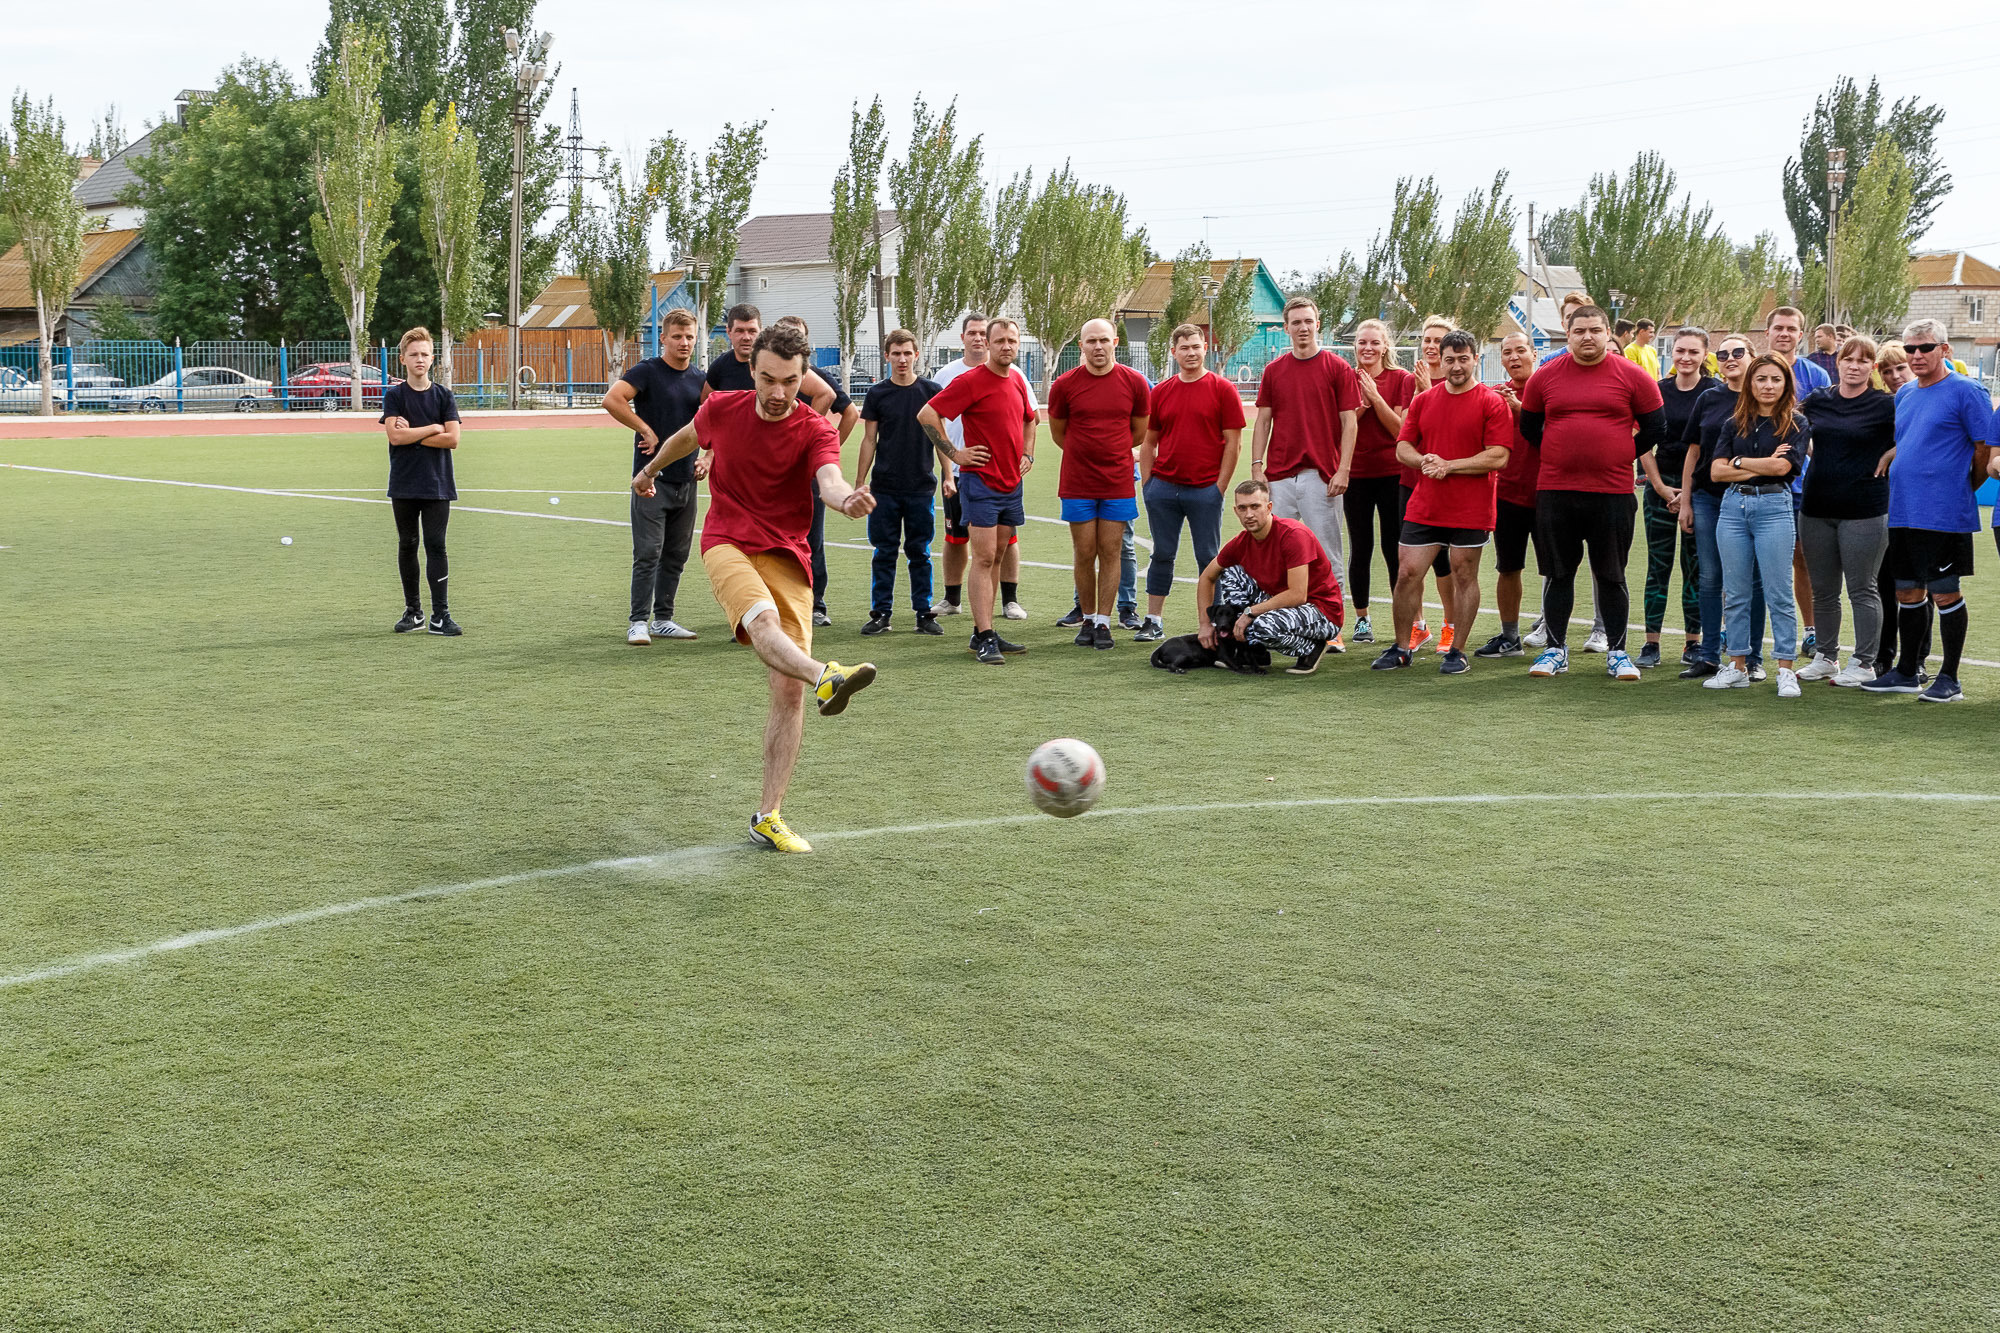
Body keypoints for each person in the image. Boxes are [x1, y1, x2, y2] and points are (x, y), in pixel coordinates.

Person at [631, 322, 877, 854]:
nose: (778, 392)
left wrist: (845, 500)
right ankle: (827, 676)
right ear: (751, 370)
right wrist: (649, 469)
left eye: (790, 381)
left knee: (787, 691)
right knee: (761, 621)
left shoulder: (817, 429)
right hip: (727, 542)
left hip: (790, 554)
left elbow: (830, 480)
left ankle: (768, 815)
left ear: (802, 376)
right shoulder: (722, 409)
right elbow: (686, 438)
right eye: (768, 379)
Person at [1518, 303, 1666, 681]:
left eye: (1595, 331)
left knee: (1611, 576)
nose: (1587, 337)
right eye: (1579, 331)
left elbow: (1654, 428)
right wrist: (1563, 453)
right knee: (1559, 574)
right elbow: (1530, 428)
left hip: (1612, 493)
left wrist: (1616, 453)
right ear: (1567, 335)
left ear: (1607, 334)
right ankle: (1555, 649)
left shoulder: (1633, 376)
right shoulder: (1544, 378)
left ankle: (1617, 653)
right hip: (1556, 492)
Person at [1862, 319, 1992, 702]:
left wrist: (1962, 488)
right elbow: (1909, 444)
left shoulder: (1967, 391)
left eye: (1925, 348)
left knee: (1945, 592)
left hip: (1943, 512)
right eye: (1910, 349)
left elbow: (1984, 449)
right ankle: (1906, 671)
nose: (1916, 355)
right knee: (1906, 591)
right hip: (1902, 508)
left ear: (1945, 350)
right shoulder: (1904, 395)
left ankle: (1949, 678)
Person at [1370, 330, 1512, 675]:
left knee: (1464, 575)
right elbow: (1403, 446)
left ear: (1475, 359)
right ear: (1441, 360)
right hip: (1426, 504)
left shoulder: (1491, 402)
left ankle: (1457, 651)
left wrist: (1450, 466)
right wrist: (1424, 462)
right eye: (1450, 359)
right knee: (1407, 573)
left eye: (1464, 359)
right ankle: (1402, 647)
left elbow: (1499, 456)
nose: (1457, 366)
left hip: (1471, 506)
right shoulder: (1424, 400)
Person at [918, 317, 1039, 665]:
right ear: (987, 343)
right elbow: (927, 414)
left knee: (998, 556)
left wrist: (1028, 453)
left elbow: (1032, 419)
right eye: (999, 340)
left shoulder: (1017, 379)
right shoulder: (970, 381)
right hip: (980, 483)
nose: (1006, 346)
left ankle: (982, 631)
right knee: (983, 558)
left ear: (1018, 344)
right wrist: (955, 455)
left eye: (1011, 341)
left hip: (1010, 485)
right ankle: (985, 634)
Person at [1250, 295, 1358, 651]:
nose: (1302, 328)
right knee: (1279, 555)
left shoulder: (1337, 368)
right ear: (1286, 328)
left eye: (1308, 321)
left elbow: (1349, 423)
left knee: (1327, 553)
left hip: (1321, 477)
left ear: (1318, 323)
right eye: (1295, 322)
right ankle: (1278, 621)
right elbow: (1263, 419)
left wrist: (1343, 469)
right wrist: (1257, 468)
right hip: (1279, 477)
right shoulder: (1274, 370)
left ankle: (1335, 627)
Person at [1700, 354, 1807, 697]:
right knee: (1736, 592)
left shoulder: (1796, 424)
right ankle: (1737, 667)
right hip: (1733, 507)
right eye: (1761, 379)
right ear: (1751, 383)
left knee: (1778, 591)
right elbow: (1716, 472)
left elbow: (1783, 470)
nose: (1768, 386)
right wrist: (1756, 464)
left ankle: (1785, 669)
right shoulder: (1734, 423)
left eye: (1776, 379)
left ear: (1785, 384)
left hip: (1775, 506)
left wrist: (1738, 462)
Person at [1795, 335, 1895, 687]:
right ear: (1837, 364)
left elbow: (1916, 435)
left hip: (1865, 510)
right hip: (1816, 507)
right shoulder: (1819, 400)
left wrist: (1890, 454)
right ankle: (1825, 656)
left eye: (1863, 360)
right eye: (1848, 359)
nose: (1854, 366)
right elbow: (1786, 422)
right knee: (1823, 589)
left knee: (1862, 589)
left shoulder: (1886, 405)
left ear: (1873, 367)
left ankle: (1865, 662)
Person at [603, 307, 704, 646]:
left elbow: (714, 421)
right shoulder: (647, 371)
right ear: (663, 338)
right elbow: (612, 399)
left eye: (690, 336)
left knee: (677, 554)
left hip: (686, 480)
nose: (684, 343)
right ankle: (637, 621)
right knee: (648, 552)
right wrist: (644, 427)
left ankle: (663, 618)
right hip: (650, 480)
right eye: (677, 336)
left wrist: (709, 456)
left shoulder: (700, 379)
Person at [1049, 318, 1152, 649]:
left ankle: (1105, 622)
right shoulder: (1064, 385)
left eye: (1103, 340)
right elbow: (1059, 433)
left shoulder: (1135, 383)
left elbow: (1138, 431)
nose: (1097, 346)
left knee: (1111, 552)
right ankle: (1089, 618)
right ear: (1081, 346)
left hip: (1117, 481)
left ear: (1115, 342)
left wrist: (1111, 453)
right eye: (1091, 341)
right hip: (1077, 481)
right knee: (1084, 552)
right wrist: (1086, 453)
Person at [1139, 321, 1244, 641]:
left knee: (1210, 558)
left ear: (1205, 349)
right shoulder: (1163, 391)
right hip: (1164, 490)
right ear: (1174, 352)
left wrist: (1219, 488)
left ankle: (1216, 624)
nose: (1191, 353)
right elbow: (1148, 442)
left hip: (1205, 491)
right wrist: (1148, 485)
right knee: (1162, 554)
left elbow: (1233, 442)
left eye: (1196, 347)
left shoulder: (1222, 389)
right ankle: (1153, 619)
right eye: (1184, 347)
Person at [1677, 335, 1768, 680]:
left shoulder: (1765, 397)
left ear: (1753, 357)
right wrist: (1686, 501)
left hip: (1754, 498)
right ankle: (1710, 654)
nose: (1730, 358)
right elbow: (1694, 453)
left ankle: (1754, 658)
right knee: (1711, 577)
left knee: (1753, 580)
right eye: (1723, 354)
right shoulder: (1709, 398)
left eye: (1738, 352)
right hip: (1708, 499)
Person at [1195, 479, 1345, 675]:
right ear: (1236, 511)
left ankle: (1311, 648)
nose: (1249, 514)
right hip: (1282, 604)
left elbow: (1298, 595)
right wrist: (1205, 624)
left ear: (1269, 507)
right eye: (1243, 508)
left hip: (1321, 610)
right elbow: (1207, 577)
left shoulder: (1293, 535)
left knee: (1262, 627)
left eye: (1255, 506)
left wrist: (1249, 613)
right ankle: (1256, 652)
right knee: (1230, 571)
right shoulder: (1241, 542)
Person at [772, 315, 859, 627]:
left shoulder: (816, 378)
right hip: (770, 474)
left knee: (812, 539)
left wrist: (825, 448)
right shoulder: (768, 375)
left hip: (805, 475)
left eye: (798, 336)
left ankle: (816, 603)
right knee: (769, 538)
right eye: (786, 335)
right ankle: (770, 603)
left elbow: (848, 411)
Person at [1639, 327, 1719, 667]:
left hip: (1698, 491)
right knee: (1658, 567)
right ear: (1671, 353)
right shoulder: (1657, 391)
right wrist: (1658, 486)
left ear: (1704, 355)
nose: (1686, 358)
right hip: (1660, 488)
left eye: (1693, 352)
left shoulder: (1714, 392)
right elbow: (1641, 442)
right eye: (1680, 351)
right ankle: (1651, 644)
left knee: (1695, 569)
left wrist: (1686, 494)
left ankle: (1692, 643)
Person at [855, 328, 942, 637]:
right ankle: (881, 613)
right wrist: (860, 481)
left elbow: (938, 436)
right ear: (886, 356)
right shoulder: (877, 393)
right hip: (885, 488)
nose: (902, 359)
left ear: (916, 355)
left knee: (920, 552)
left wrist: (948, 476)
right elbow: (869, 440)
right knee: (884, 552)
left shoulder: (931, 390)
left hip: (921, 487)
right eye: (896, 353)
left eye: (908, 353)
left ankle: (924, 613)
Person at [380, 326, 462, 637]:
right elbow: (395, 436)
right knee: (407, 544)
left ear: (432, 359)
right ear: (403, 359)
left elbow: (453, 439)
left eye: (425, 354)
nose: (420, 359)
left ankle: (441, 615)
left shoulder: (443, 395)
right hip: (404, 483)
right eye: (413, 354)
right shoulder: (395, 396)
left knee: (436, 546)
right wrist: (432, 428)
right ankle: (413, 611)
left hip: (437, 484)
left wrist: (413, 433)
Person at [1342, 317, 1417, 645]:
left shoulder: (1401, 379)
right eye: (1362, 342)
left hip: (1392, 474)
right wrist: (1360, 403)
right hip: (1355, 475)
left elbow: (1399, 429)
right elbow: (1340, 428)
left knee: (1393, 548)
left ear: (1386, 346)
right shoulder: (1345, 378)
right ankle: (1362, 620)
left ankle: (1404, 621)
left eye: (1374, 342)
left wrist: (1375, 397)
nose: (1368, 348)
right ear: (1354, 346)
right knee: (1361, 546)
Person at [1765, 306, 1832, 657]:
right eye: (1779, 327)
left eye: (1792, 328)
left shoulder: (1817, 375)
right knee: (1760, 561)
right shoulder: (1755, 370)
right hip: (1761, 482)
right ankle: (1744, 635)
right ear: (1768, 333)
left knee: (1804, 558)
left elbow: (1826, 429)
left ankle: (1810, 631)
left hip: (1805, 485)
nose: (1785, 333)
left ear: (1801, 335)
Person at [1476, 333, 1539, 658]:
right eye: (1507, 352)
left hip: (1546, 495)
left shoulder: (1546, 390)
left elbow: (1557, 433)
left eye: (1520, 351)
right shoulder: (1494, 394)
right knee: (1508, 567)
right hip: (1507, 496)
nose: (1514, 357)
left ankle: (1555, 640)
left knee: (1556, 571)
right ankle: (1510, 637)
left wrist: (1523, 409)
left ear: (1533, 353)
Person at [1403, 314, 1462, 653]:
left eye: (1438, 341)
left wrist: (1428, 392)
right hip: (1411, 481)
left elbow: (1450, 432)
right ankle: (1418, 626)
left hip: (1446, 484)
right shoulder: (1407, 379)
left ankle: (1450, 626)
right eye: (1426, 339)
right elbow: (1404, 432)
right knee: (1410, 562)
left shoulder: (1458, 382)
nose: (1430, 346)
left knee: (1445, 562)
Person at [1870, 341, 1924, 676]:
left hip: (1919, 507)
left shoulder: (1925, 399)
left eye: (1899, 368)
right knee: (1884, 584)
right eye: (1887, 371)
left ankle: (1916, 659)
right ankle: (1883, 656)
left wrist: (1895, 451)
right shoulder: (1885, 405)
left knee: (1920, 587)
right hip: (1885, 506)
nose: (1894, 376)